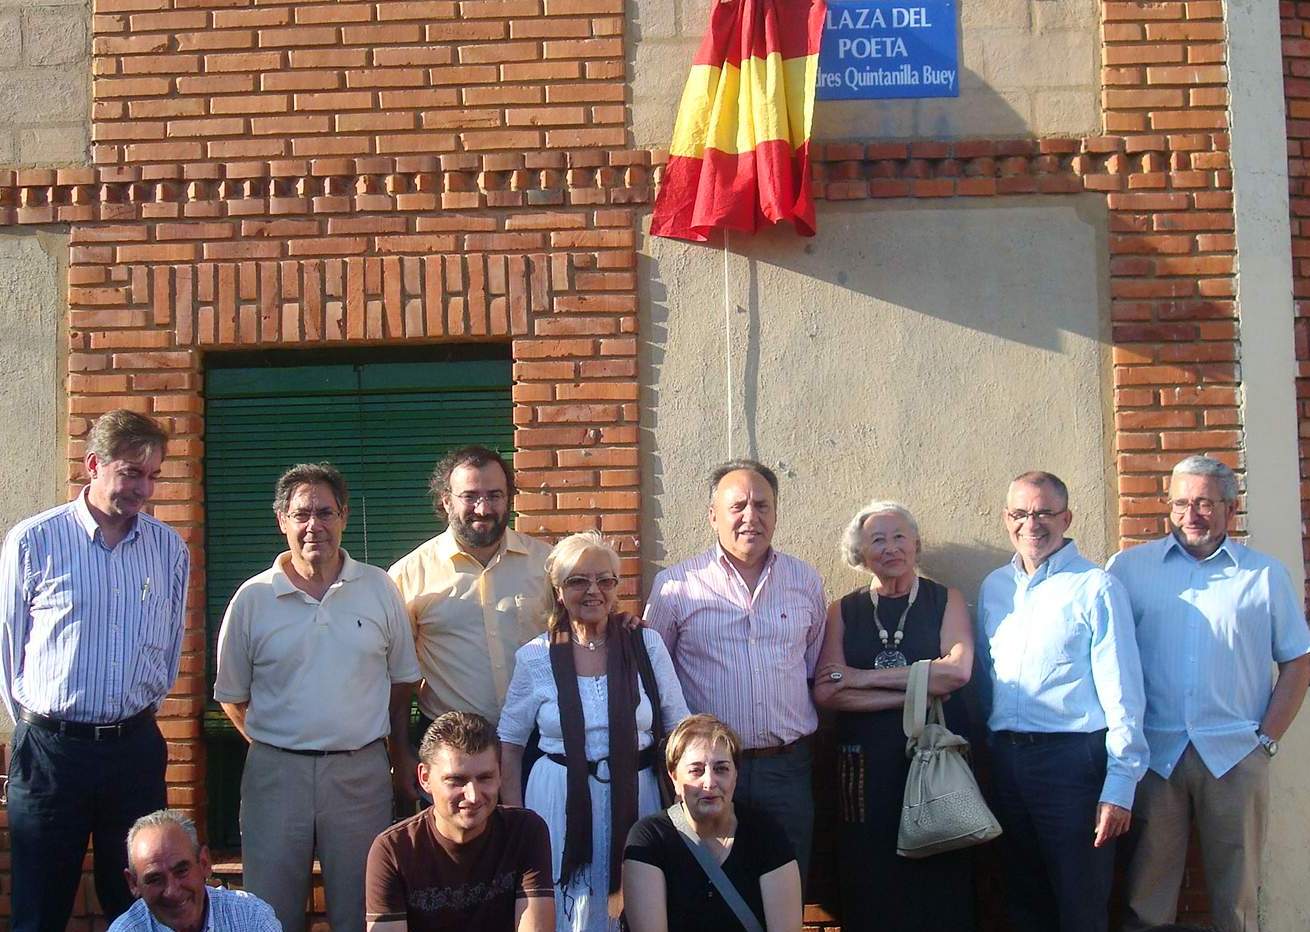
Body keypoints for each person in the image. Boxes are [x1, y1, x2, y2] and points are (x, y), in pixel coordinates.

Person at [0, 409, 190, 931]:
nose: (143, 489)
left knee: (139, 908)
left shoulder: (168, 549)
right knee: (39, 908)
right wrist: (42, 731)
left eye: (152, 475)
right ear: (93, 465)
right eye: (131, 472)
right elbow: (10, 650)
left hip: (132, 752)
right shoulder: (33, 541)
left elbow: (168, 648)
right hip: (50, 756)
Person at [214, 463, 421, 932]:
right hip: (275, 776)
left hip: (359, 774)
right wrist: (278, 745)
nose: (315, 526)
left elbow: (402, 681)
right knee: (269, 912)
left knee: (360, 909)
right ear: (281, 520)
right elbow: (231, 695)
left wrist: (396, 752)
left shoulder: (379, 589)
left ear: (344, 516)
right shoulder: (253, 599)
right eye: (302, 513)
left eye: (325, 512)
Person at [1107, 455, 1310, 932]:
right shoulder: (1129, 570)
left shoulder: (1263, 575)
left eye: (1203, 503)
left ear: (1230, 509)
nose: (1190, 514)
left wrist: (1266, 741)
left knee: (1236, 898)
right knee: (1145, 896)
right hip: (1155, 755)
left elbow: (1298, 660)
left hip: (1237, 754)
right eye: (1180, 503)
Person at [976, 470, 1148, 932]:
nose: (1031, 524)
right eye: (1019, 513)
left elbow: (1123, 693)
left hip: (1073, 767)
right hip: (1007, 763)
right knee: (1022, 900)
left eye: (1044, 513)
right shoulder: (995, 588)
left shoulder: (1096, 587)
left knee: (1080, 905)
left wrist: (1119, 786)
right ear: (1005, 518)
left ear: (1066, 518)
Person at [643, 459, 826, 883]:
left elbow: (812, 667)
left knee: (785, 882)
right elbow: (653, 677)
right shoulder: (676, 587)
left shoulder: (805, 581)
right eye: (738, 506)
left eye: (762, 505)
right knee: (706, 887)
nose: (751, 517)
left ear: (776, 513)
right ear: (713, 516)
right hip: (706, 772)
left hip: (787, 768)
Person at [498, 531, 689, 932]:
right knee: (570, 909)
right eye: (578, 581)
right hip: (557, 801)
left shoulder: (646, 645)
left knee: (641, 903)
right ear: (557, 587)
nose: (593, 591)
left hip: (638, 796)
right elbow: (511, 745)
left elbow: (677, 729)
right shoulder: (535, 656)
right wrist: (515, 822)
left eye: (605, 580)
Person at [812, 501, 975, 932]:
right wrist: (920, 685)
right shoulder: (841, 610)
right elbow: (828, 690)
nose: (890, 548)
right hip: (863, 772)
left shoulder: (945, 599)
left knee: (939, 881)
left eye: (899, 536)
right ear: (861, 553)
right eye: (877, 540)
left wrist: (861, 679)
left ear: (916, 544)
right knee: (872, 881)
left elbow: (956, 673)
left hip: (931, 766)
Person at [389, 446, 553, 802]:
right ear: (446, 501)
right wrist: (399, 754)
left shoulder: (547, 565)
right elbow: (397, 680)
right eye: (470, 496)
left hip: (538, 743)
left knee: (535, 848)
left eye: (494, 495)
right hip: (451, 749)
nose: (483, 508)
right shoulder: (409, 575)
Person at [365, 711, 554, 932]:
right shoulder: (393, 850)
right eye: (456, 781)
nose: (473, 796)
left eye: (485, 778)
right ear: (424, 778)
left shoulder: (525, 831)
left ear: (500, 774)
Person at [622, 713, 802, 932]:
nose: (709, 782)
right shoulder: (649, 839)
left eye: (721, 769)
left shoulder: (766, 834)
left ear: (736, 775)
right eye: (696, 770)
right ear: (674, 778)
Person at [109, 809, 281, 932]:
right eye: (155, 879)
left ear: (204, 863)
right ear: (133, 883)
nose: (172, 892)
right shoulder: (126, 929)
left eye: (181, 870)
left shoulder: (250, 918)